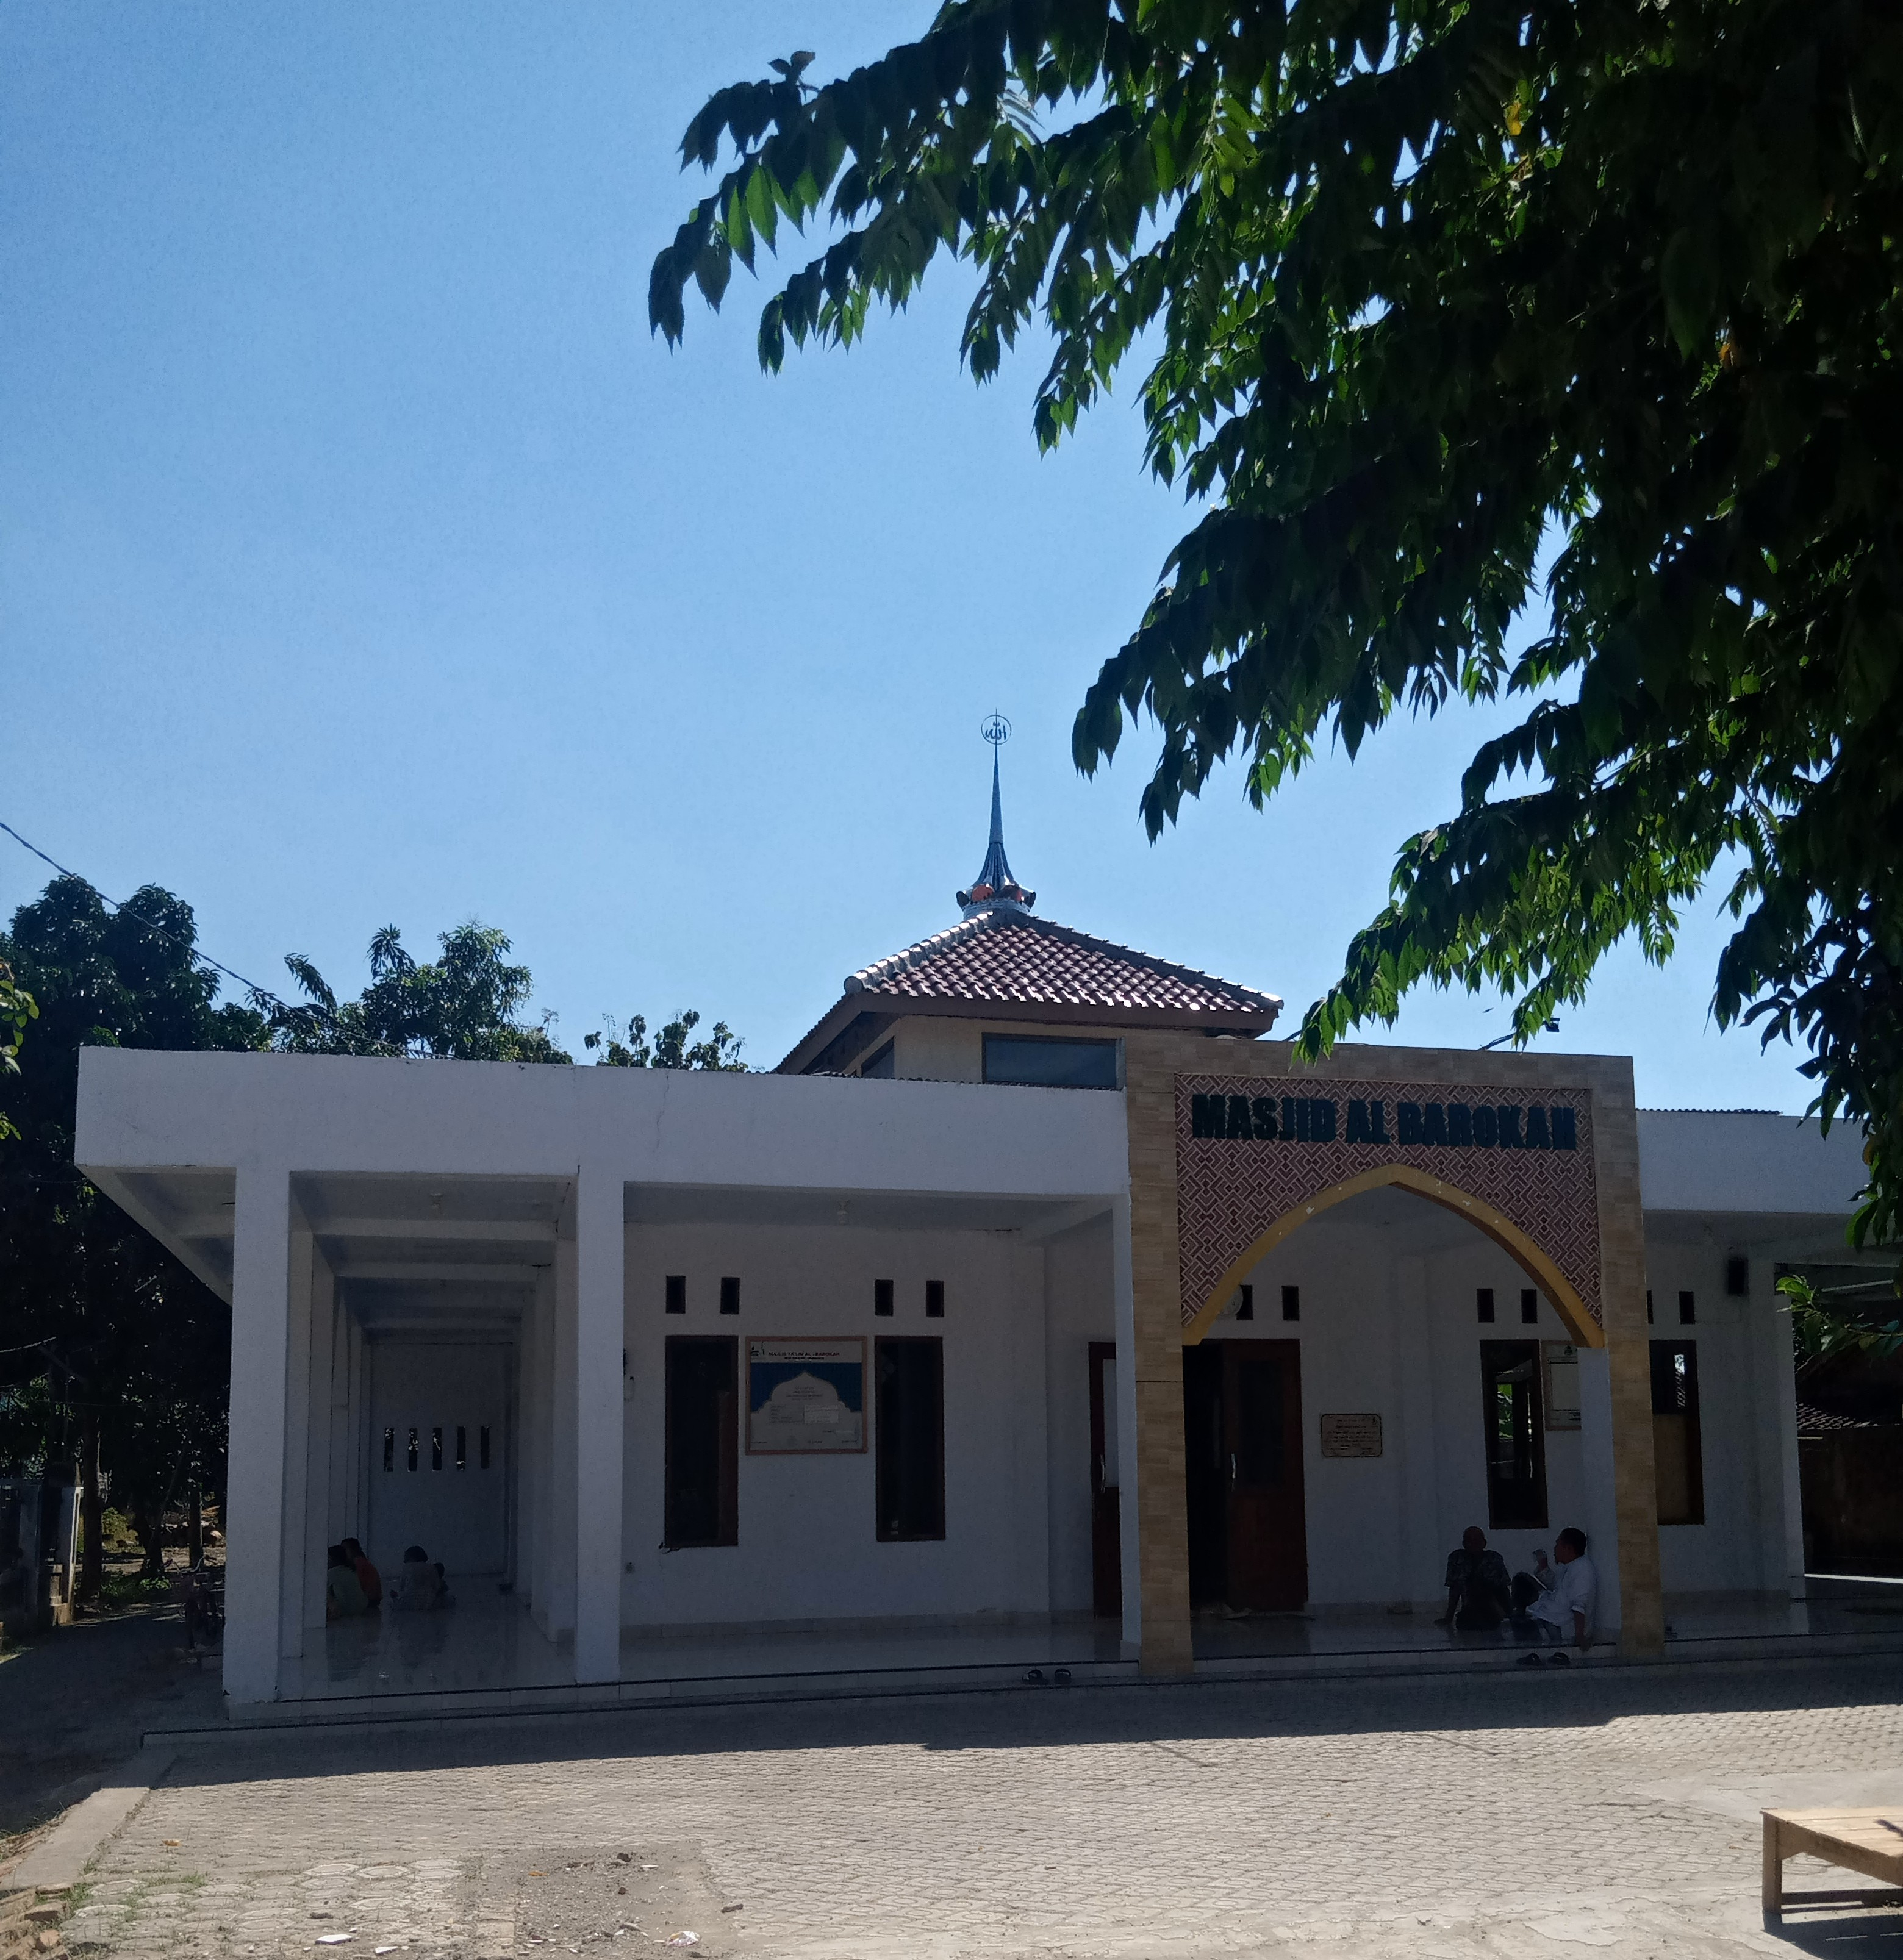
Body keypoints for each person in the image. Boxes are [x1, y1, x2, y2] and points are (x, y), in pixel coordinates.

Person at [1516, 1526, 1596, 1664]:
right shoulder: (1568, 1566)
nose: (1554, 1549)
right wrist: (1543, 1567)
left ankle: (1536, 1654)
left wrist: (1580, 1636)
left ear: (1568, 1549)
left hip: (1559, 1626)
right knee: (1522, 1579)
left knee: (1513, 1632)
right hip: (1550, 1613)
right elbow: (1557, 1588)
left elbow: (1580, 1605)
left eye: (1557, 1544)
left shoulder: (1583, 1570)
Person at [1437, 1526, 1513, 1631]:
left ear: (1484, 1543)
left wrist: (1508, 1613)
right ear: (1464, 1544)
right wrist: (1449, 1617)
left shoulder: (1494, 1558)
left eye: (1477, 1540)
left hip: (1494, 1606)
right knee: (1465, 1624)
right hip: (1471, 1606)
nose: (1473, 1544)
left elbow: (1503, 1588)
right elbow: (1455, 1588)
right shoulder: (1457, 1559)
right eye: (1469, 1540)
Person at [390, 1544, 453, 1611]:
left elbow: (402, 1588)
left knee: (393, 1603)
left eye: (406, 1557)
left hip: (410, 1604)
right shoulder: (432, 1568)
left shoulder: (407, 1568)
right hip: (430, 1603)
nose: (404, 1561)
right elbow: (437, 1587)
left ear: (412, 1557)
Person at [324, 1543, 368, 1620]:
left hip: (346, 1609)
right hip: (361, 1608)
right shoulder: (351, 1570)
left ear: (330, 1558)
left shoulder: (332, 1573)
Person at [342, 1537, 382, 1608]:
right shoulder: (363, 1562)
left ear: (354, 1550)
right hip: (372, 1599)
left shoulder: (358, 1563)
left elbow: (357, 1584)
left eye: (344, 1550)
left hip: (368, 1600)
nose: (342, 1553)